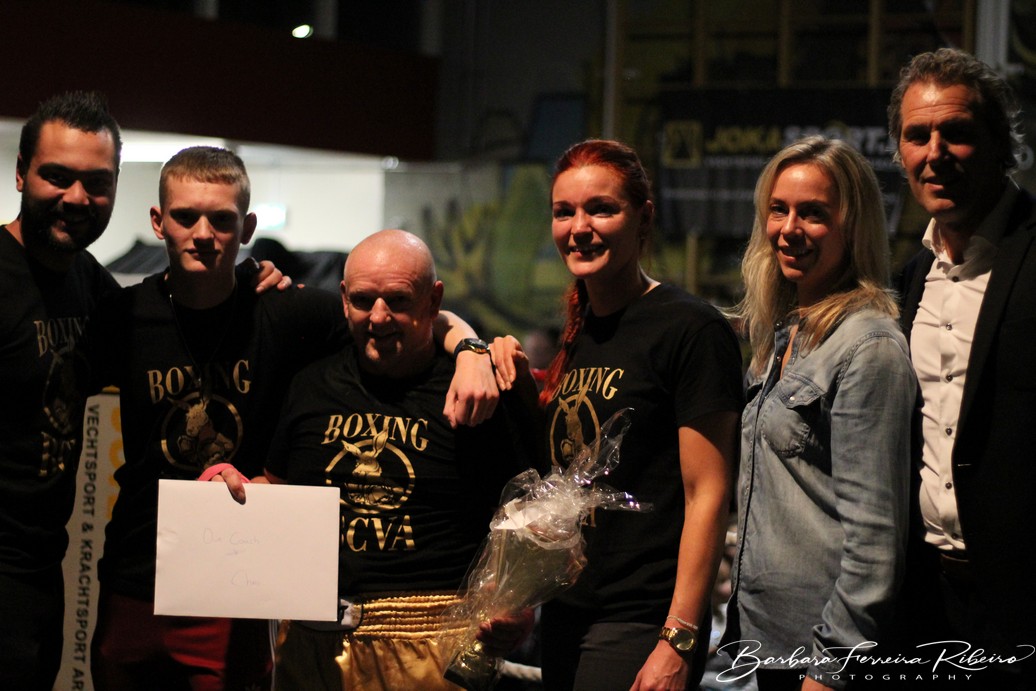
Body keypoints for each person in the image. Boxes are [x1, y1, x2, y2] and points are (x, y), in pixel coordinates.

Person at [78, 150, 502, 690]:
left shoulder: (284, 309)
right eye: (186, 216)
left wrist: (469, 348)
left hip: (236, 582)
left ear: (247, 227)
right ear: (159, 222)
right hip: (133, 576)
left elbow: (401, 312)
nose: (203, 234)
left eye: (222, 219)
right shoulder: (122, 315)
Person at [0, 92, 294, 691]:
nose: (76, 197)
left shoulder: (94, 289)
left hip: (37, 573)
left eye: (96, 183)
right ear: (21, 173)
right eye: (57, 176)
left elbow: (175, 314)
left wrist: (249, 280)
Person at [237, 229, 535, 691]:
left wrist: (518, 602)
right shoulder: (310, 384)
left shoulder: (476, 391)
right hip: (312, 649)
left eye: (397, 300)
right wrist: (229, 490)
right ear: (343, 298)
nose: (378, 317)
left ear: (433, 301)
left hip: (434, 653)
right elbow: (275, 488)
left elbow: (528, 510)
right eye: (362, 300)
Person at [494, 139, 743, 690]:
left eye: (601, 209)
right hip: (568, 613)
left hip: (641, 621)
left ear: (643, 218)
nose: (579, 228)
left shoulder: (690, 329)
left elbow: (708, 494)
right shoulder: (578, 334)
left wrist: (678, 638)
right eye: (564, 212)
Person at [722, 136, 915, 690]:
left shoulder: (868, 346)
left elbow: (875, 543)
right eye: (778, 209)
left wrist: (831, 665)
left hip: (821, 661)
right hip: (771, 646)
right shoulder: (784, 334)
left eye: (813, 213)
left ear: (853, 227)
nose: (789, 229)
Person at [891, 48, 1036, 685]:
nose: (935, 153)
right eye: (917, 135)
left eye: (956, 132)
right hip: (927, 600)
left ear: (1001, 143)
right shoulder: (908, 280)